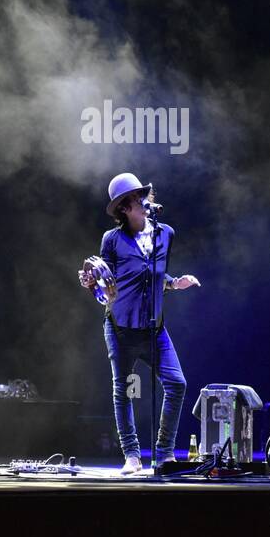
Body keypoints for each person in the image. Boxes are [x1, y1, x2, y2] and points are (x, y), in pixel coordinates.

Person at [80, 173, 199, 475]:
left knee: (177, 384)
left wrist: (175, 282)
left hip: (154, 329)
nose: (144, 202)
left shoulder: (166, 234)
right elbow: (106, 281)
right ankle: (132, 455)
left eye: (145, 196)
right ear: (123, 209)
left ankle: (164, 453)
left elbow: (156, 276)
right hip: (120, 328)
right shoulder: (113, 240)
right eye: (136, 199)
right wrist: (90, 281)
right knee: (123, 390)